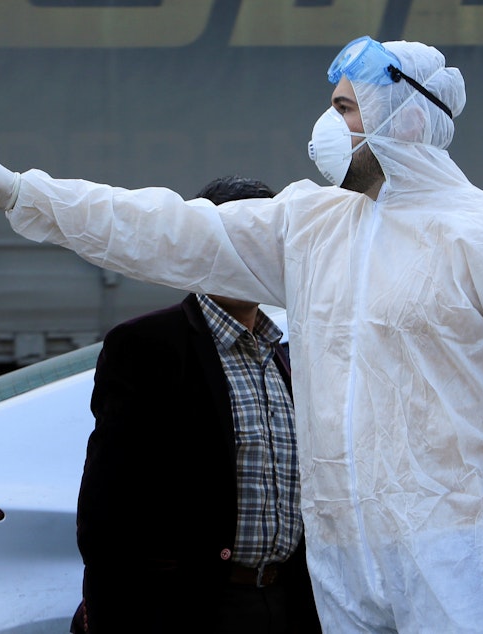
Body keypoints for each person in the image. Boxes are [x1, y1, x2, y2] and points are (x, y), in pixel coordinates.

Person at [0, 36, 483, 633]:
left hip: (465, 554)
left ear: (407, 120)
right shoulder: (315, 225)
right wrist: (16, 191)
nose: (325, 124)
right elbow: (163, 228)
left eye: (344, 108)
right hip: (345, 564)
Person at [71, 175, 320, 634]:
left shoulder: (290, 350)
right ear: (198, 245)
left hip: (286, 602)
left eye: (263, 241)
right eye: (233, 239)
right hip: (191, 608)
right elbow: (108, 507)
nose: (250, 257)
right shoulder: (149, 346)